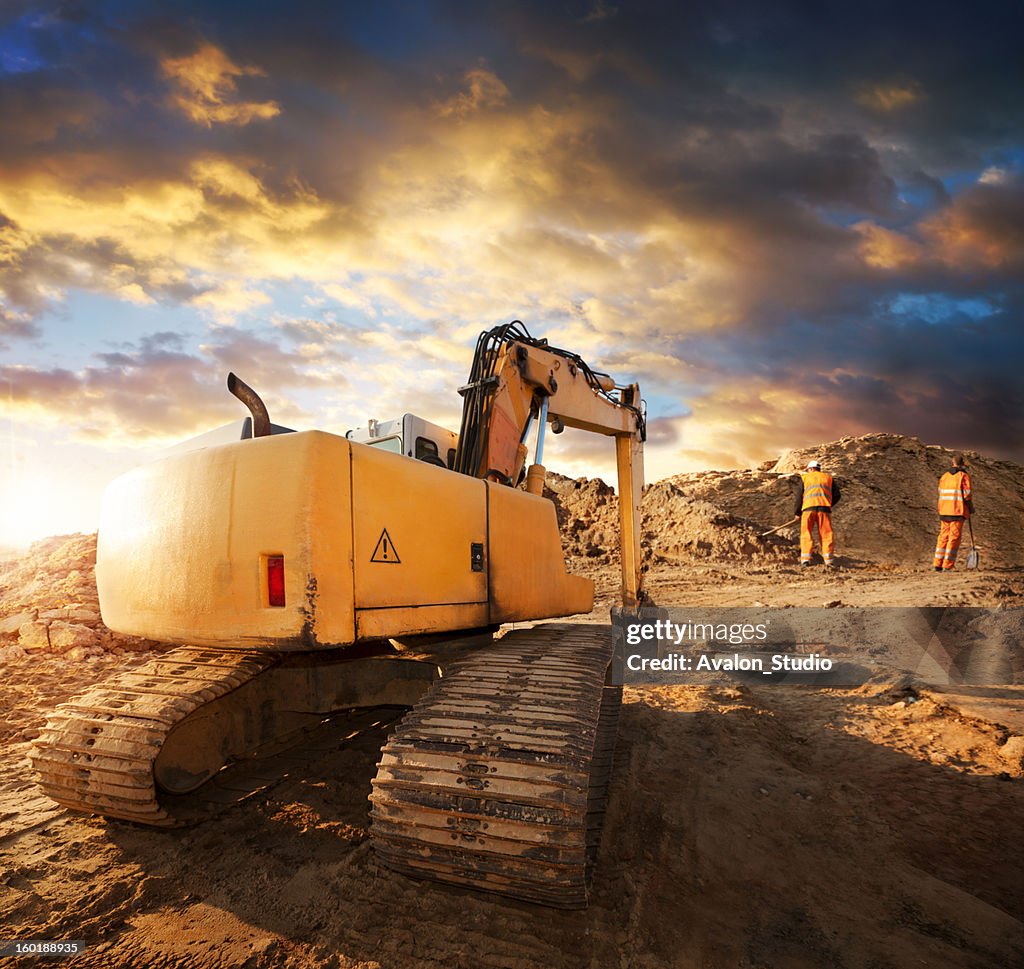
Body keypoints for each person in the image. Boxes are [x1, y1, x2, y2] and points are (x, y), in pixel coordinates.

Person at [794, 460, 841, 568]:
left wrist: (797, 512)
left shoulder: (805, 478)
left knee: (806, 533)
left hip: (808, 509)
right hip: (824, 509)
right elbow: (837, 495)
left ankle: (805, 560)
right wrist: (828, 504)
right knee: (826, 534)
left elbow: (799, 497)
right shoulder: (828, 478)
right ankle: (828, 560)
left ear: (810, 469)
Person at [934, 454, 973, 571]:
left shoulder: (944, 476)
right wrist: (970, 507)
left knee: (943, 536)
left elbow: (940, 491)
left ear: (952, 462)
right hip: (957, 510)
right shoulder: (963, 476)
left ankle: (937, 564)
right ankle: (948, 565)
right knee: (954, 537)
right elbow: (967, 495)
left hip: (944, 510)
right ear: (963, 463)